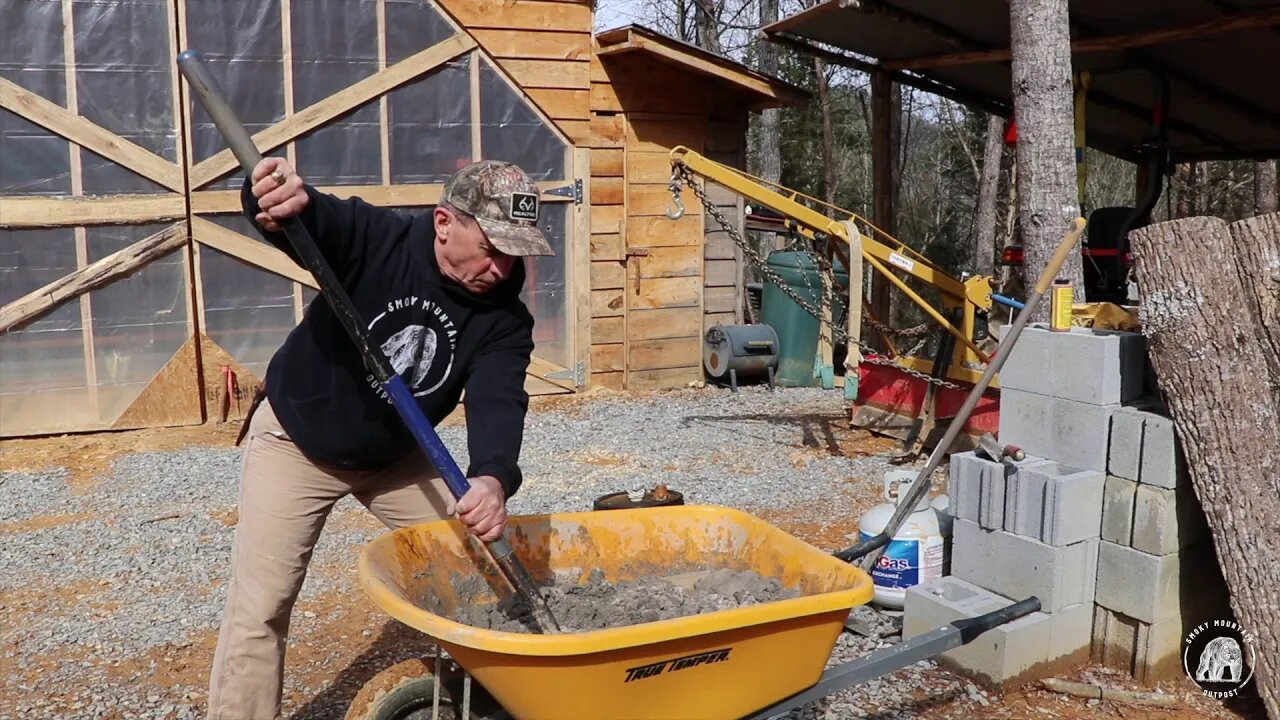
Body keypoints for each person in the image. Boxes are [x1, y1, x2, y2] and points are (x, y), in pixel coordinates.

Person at [206, 156, 554, 720]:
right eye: (493, 248)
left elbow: (499, 397)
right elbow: (309, 220)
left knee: (481, 569)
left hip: (395, 456)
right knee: (262, 605)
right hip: (298, 441)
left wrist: (492, 477)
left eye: (516, 253)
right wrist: (269, 198)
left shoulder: (504, 318)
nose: (502, 267)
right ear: (446, 222)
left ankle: (492, 699)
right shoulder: (378, 240)